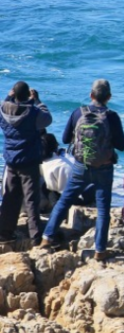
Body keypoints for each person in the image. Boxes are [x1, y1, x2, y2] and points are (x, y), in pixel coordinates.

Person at [41, 79, 124, 260]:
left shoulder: (78, 113)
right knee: (103, 209)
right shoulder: (112, 116)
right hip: (104, 168)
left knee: (64, 201)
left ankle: (47, 238)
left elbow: (65, 139)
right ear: (109, 97)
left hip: (80, 166)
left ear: (91, 95)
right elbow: (122, 145)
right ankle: (100, 250)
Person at [0, 82, 52, 244]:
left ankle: (5, 233)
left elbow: (5, 103)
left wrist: (9, 96)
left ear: (14, 94)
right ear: (27, 96)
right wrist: (37, 101)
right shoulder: (33, 113)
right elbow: (47, 119)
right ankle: (35, 236)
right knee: (31, 200)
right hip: (29, 161)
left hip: (11, 160)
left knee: (10, 197)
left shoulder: (3, 110)